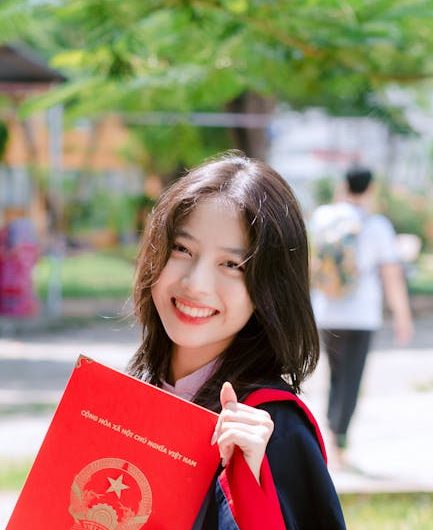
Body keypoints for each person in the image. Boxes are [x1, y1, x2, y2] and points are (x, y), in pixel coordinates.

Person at [127, 152, 346, 529]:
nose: (196, 283)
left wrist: (252, 490)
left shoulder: (272, 431)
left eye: (232, 265)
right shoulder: (122, 405)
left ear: (270, 290)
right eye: (182, 249)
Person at [310, 167, 413, 469]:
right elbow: (391, 274)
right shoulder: (377, 225)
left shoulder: (323, 217)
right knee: (351, 377)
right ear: (370, 189)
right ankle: (339, 440)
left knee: (335, 375)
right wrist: (402, 316)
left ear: (344, 185)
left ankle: (331, 434)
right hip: (362, 315)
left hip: (327, 311)